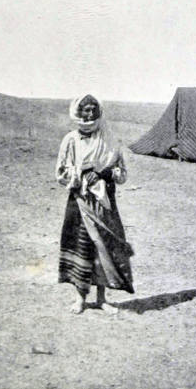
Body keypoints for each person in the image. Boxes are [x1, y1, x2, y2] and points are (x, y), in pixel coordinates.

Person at [55, 94, 134, 314]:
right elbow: (61, 172)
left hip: (104, 203)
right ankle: (79, 298)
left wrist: (104, 173)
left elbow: (121, 172)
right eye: (85, 110)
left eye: (93, 110)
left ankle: (101, 298)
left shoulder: (109, 139)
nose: (90, 114)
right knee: (82, 247)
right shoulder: (71, 140)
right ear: (77, 112)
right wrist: (81, 174)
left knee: (103, 248)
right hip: (80, 202)